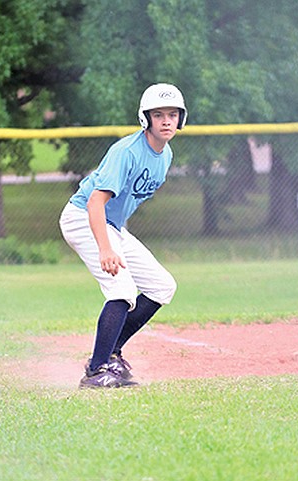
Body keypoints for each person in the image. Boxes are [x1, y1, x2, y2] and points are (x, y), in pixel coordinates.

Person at [59, 83, 188, 389]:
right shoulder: (126, 152)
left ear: (181, 118)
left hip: (112, 226)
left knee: (161, 286)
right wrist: (106, 249)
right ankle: (97, 369)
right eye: (159, 115)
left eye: (172, 114)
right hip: (84, 217)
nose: (166, 121)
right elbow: (94, 202)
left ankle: (112, 353)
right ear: (147, 119)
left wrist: (114, 238)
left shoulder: (165, 154)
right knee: (122, 290)